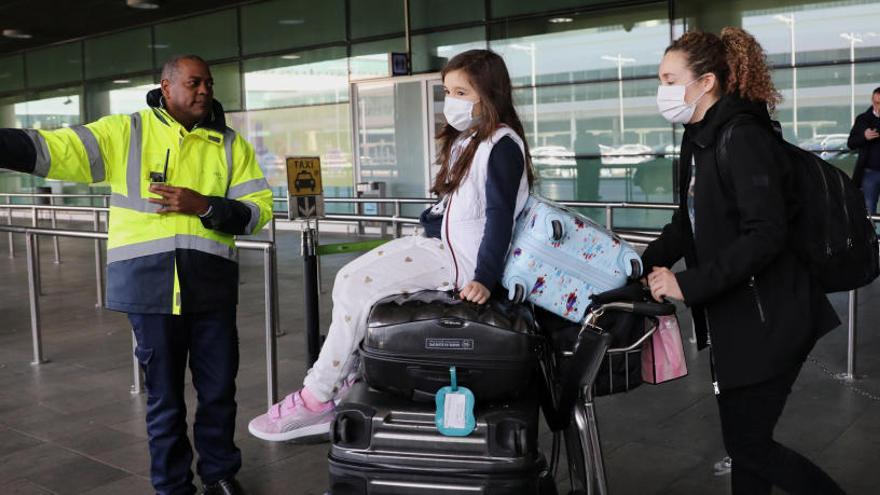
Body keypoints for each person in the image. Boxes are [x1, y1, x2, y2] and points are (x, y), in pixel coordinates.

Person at [0, 54, 273, 495]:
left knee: (219, 390)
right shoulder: (124, 133)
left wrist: (203, 205)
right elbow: (54, 148)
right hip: (149, 288)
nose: (204, 90)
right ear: (166, 88)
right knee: (164, 399)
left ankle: (220, 474)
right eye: (194, 82)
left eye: (209, 83)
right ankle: (172, 485)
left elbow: (259, 211)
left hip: (211, 289)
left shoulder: (230, 145)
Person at [248, 49, 534, 442]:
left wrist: (484, 277)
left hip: (459, 263)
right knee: (351, 279)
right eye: (448, 91)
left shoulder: (501, 144)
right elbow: (459, 206)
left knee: (355, 285)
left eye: (462, 92)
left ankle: (317, 397)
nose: (451, 101)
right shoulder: (469, 141)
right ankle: (339, 382)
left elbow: (500, 215)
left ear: (490, 93)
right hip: (439, 246)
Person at [642, 28, 845, 495]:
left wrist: (687, 285)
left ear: (706, 81)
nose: (662, 90)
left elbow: (766, 234)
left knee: (749, 445)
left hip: (771, 315)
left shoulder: (743, 137)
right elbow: (685, 225)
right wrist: (632, 266)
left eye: (670, 79)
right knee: (746, 445)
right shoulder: (698, 140)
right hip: (738, 316)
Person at [847, 87, 880, 214]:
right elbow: (851, 143)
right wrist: (864, 137)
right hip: (869, 173)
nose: (878, 107)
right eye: (877, 103)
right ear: (872, 101)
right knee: (868, 209)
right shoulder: (863, 119)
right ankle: (870, 234)